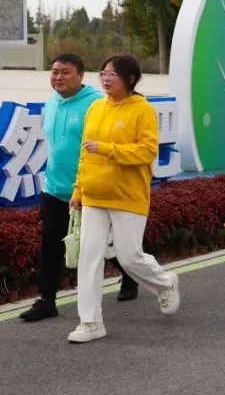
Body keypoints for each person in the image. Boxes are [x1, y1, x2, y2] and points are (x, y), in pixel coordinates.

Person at [67, 55, 179, 343]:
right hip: (93, 195)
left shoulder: (142, 110)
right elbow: (84, 153)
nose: (105, 79)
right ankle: (90, 323)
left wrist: (108, 149)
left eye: (112, 74)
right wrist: (78, 191)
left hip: (128, 195)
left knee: (130, 257)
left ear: (130, 79)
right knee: (89, 259)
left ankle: (165, 283)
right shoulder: (95, 108)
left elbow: (146, 152)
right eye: (102, 73)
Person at [19, 55, 105, 322]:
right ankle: (47, 300)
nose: (58, 77)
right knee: (50, 244)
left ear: (81, 75)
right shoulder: (52, 102)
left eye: (65, 72)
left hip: (90, 189)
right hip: (55, 188)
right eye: (55, 72)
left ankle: (128, 278)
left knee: (105, 243)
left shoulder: (96, 104)